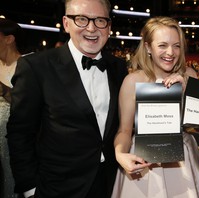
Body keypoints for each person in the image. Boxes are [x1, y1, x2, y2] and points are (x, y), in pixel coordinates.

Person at [6, 0, 128, 197]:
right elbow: (19, 134)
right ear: (66, 23)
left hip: (110, 184)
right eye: (81, 19)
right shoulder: (36, 67)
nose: (91, 28)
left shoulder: (119, 67)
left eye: (100, 20)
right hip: (57, 188)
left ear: (109, 26)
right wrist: (30, 189)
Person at [112, 16, 199, 198]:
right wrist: (119, 154)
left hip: (183, 159)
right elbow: (124, 130)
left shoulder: (190, 75)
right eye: (162, 45)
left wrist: (191, 94)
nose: (170, 52)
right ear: (148, 47)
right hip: (143, 160)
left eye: (176, 45)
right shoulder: (132, 81)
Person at [0, 17, 24, 198]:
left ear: (9, 39)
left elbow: (26, 105)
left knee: (9, 177)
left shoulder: (26, 66)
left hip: (11, 138)